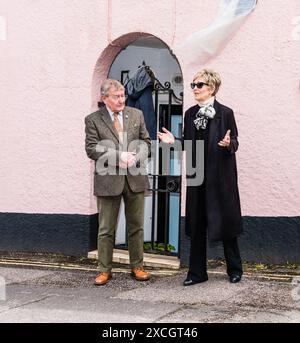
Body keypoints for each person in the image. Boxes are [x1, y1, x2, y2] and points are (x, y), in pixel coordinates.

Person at [158, 69, 243, 285]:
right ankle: (197, 273)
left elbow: (235, 140)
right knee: (196, 225)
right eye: (193, 85)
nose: (195, 89)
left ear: (212, 88)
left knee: (225, 224)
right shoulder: (190, 113)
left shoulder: (226, 112)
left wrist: (228, 144)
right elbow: (188, 143)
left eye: (199, 85)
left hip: (220, 177)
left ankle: (235, 269)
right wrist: (174, 141)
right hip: (197, 176)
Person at [85, 79, 151, 285]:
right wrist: (119, 157)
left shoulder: (136, 114)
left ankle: (137, 267)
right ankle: (104, 270)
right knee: (106, 228)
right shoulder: (93, 119)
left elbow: (146, 142)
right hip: (108, 181)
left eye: (123, 95)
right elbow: (92, 148)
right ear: (105, 98)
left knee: (136, 226)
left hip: (135, 178)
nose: (122, 100)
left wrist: (135, 157)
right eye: (117, 96)